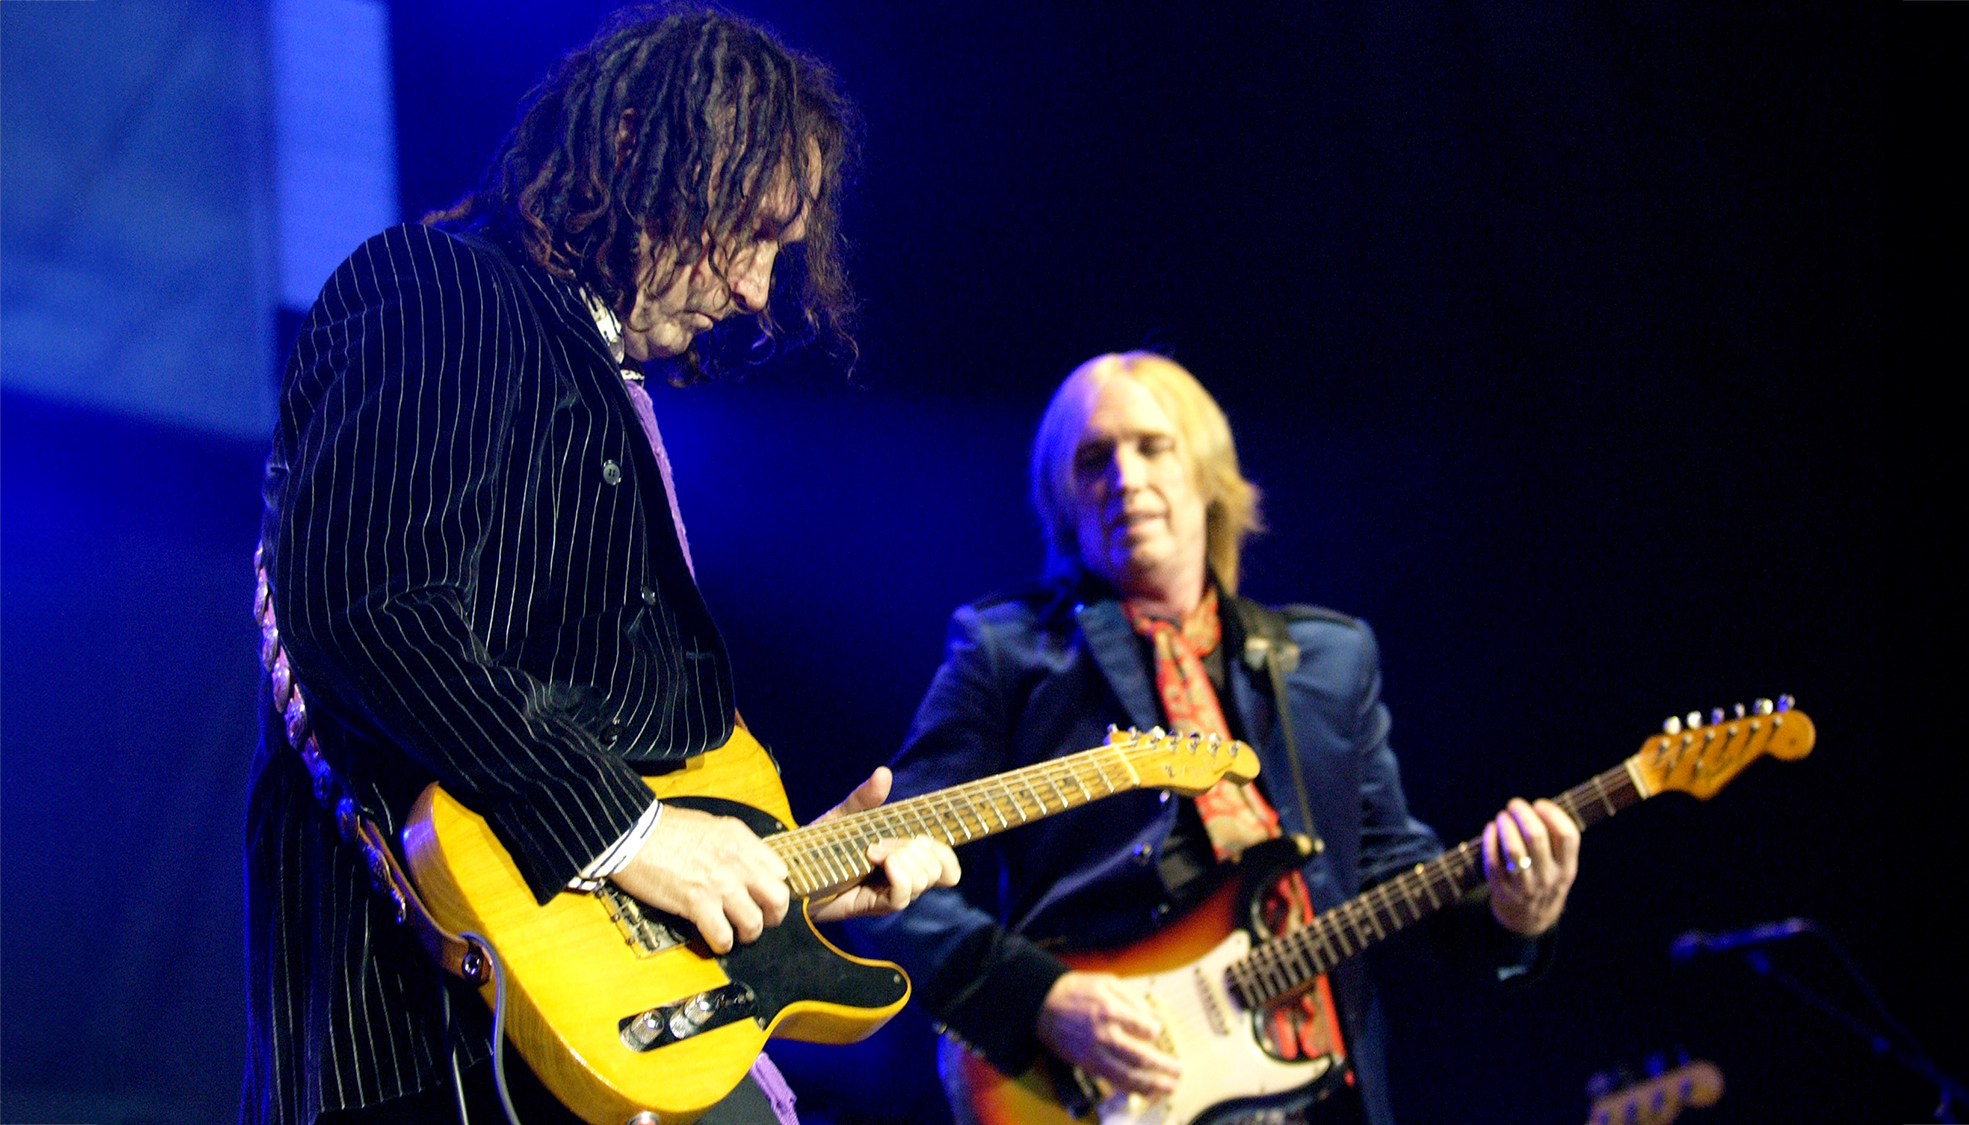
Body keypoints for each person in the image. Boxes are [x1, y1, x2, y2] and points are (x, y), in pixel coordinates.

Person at [243, 8, 959, 1124]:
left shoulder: (592, 368)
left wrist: (784, 874)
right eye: (753, 233)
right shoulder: (443, 288)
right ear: (633, 149)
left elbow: (605, 741)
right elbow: (371, 604)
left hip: (597, 1028)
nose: (762, 291)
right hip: (430, 1040)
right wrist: (625, 832)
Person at [849, 352, 1581, 1125]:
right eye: (1093, 459)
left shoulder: (1330, 660)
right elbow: (881, 863)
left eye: (1152, 446)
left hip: (1326, 1097)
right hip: (1104, 1093)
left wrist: (1516, 918)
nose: (1124, 479)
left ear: (1207, 473)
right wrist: (1043, 996)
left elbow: (1394, 869)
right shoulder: (1008, 653)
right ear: (1062, 499)